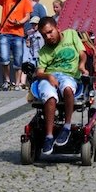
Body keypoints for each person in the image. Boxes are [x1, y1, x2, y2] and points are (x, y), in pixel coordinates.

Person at [34, 17, 88, 155]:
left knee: (68, 88)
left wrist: (81, 65)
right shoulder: (44, 51)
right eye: (44, 35)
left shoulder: (71, 34)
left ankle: (67, 126)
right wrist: (48, 76)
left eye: (50, 32)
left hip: (69, 75)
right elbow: (39, 72)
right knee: (50, 97)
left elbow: (82, 53)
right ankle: (49, 136)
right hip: (49, 76)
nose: (48, 36)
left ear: (57, 27)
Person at [0, 0, 34, 90]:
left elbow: (27, 16)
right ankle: (7, 81)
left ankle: (17, 83)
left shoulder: (26, 0)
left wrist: (19, 22)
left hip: (18, 33)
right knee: (4, 57)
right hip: (4, 32)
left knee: (18, 59)